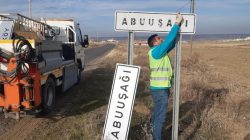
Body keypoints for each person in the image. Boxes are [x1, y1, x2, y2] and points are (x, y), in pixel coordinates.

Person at [147, 13, 183, 140]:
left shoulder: (159, 52)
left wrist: (177, 31)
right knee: (161, 118)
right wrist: (177, 23)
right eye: (158, 39)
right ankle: (156, 137)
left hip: (160, 88)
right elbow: (168, 41)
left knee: (157, 114)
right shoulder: (156, 51)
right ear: (154, 43)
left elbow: (170, 43)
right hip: (160, 89)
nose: (161, 39)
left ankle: (151, 134)